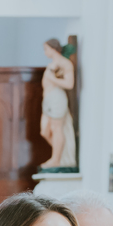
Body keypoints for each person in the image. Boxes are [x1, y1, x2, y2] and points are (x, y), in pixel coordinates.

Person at [40, 38, 77, 169]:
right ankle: (61, 154)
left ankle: (56, 159)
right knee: (44, 130)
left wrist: (53, 79)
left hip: (57, 98)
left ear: (53, 48)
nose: (45, 52)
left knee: (57, 129)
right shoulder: (53, 63)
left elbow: (69, 84)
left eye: (46, 49)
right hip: (48, 99)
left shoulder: (65, 63)